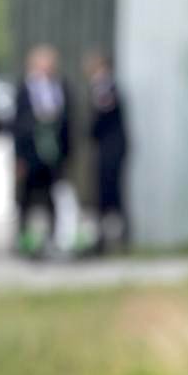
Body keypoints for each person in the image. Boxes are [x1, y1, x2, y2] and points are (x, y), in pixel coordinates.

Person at [12, 44, 72, 257]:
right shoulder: (25, 90)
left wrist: (66, 153)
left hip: (53, 154)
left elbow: (68, 124)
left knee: (52, 197)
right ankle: (24, 239)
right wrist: (19, 156)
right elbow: (17, 125)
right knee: (26, 198)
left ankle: (51, 238)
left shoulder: (61, 88)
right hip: (30, 153)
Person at [83, 51, 128, 253]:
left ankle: (110, 238)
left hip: (110, 149)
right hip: (110, 148)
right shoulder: (105, 86)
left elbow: (101, 119)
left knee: (109, 192)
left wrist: (89, 133)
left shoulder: (103, 87)